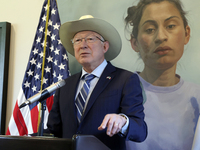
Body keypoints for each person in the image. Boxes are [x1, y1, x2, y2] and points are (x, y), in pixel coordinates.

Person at [46, 15, 147, 150]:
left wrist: (123, 121)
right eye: (77, 40)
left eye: (90, 39)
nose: (83, 45)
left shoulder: (125, 79)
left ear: (105, 46)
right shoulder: (64, 85)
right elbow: (54, 131)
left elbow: (140, 131)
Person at [125, 0, 200, 149]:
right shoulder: (117, 94)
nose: (160, 36)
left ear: (187, 34)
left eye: (170, 26)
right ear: (135, 43)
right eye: (150, 29)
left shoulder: (197, 97)